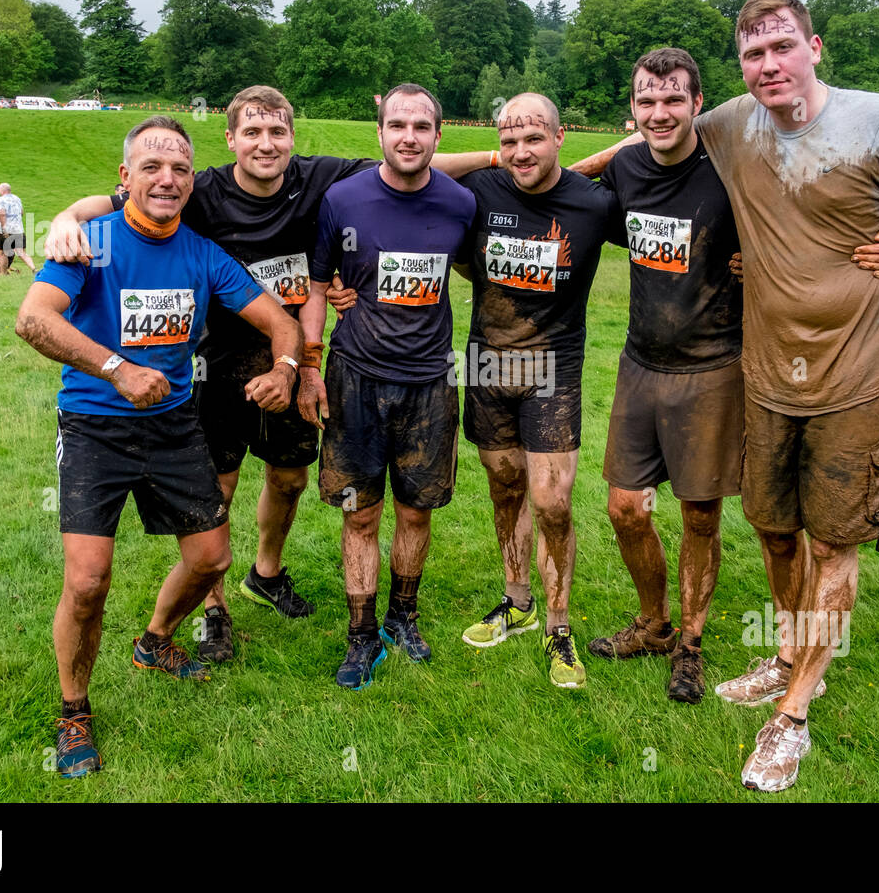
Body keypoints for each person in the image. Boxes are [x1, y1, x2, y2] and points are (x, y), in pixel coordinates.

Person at [575, 0, 879, 792]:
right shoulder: (729, 123)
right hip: (764, 372)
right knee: (775, 529)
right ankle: (789, 654)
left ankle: (792, 715)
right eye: (753, 53)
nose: (768, 64)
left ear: (814, 48)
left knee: (832, 542)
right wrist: (536, 170)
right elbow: (638, 142)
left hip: (859, 372)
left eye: (782, 46)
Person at [44, 84, 492, 663]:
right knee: (219, 489)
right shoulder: (198, 188)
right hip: (218, 362)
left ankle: (266, 573)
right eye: (252, 132)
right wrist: (66, 216)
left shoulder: (320, 178)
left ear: (292, 138)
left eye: (277, 131)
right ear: (230, 139)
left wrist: (496, 155)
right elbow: (115, 198)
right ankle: (214, 610)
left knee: (290, 479)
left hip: (288, 357)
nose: (265, 143)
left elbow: (411, 161)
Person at [14, 115, 302, 778]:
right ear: (125, 178)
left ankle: (155, 641)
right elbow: (33, 319)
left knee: (211, 558)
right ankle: (74, 711)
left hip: (173, 425)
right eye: (151, 166)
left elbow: (279, 320)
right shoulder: (92, 241)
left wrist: (286, 370)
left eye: (179, 168)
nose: (167, 178)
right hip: (95, 425)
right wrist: (116, 368)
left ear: (191, 181)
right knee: (88, 580)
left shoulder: (203, 254)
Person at [297, 84, 475, 690]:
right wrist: (311, 367)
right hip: (356, 380)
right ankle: (360, 634)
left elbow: (475, 263)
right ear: (379, 133)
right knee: (360, 514)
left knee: (416, 512)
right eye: (397, 125)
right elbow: (317, 285)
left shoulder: (459, 203)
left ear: (438, 135)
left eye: (421, 127)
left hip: (429, 384)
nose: (408, 136)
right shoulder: (342, 199)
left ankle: (403, 616)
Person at [582, 48, 745, 704]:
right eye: (646, 101)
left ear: (698, 103)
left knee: (700, 514)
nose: (659, 112)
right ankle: (653, 624)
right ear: (632, 109)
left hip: (712, 366)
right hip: (640, 362)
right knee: (625, 508)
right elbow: (566, 198)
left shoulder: (730, 168)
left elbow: (794, 223)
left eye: (673, 99)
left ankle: (691, 645)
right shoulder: (625, 168)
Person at [450, 92, 615, 690]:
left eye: (534, 138)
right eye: (510, 140)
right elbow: (408, 167)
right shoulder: (479, 189)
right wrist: (494, 158)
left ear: (560, 137)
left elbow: (664, 215)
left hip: (553, 369)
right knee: (504, 486)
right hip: (487, 365)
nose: (521, 151)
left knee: (551, 502)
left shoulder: (594, 203)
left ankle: (558, 625)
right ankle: (516, 601)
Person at [0, 182, 36, 274]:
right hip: (19, 230)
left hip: (7, 230)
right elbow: (21, 212)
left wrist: (4, 228)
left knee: (3, 253)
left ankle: (3, 273)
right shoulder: (17, 198)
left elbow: (2, 214)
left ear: (2, 190)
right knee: (21, 252)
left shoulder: (1, 200)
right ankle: (34, 268)